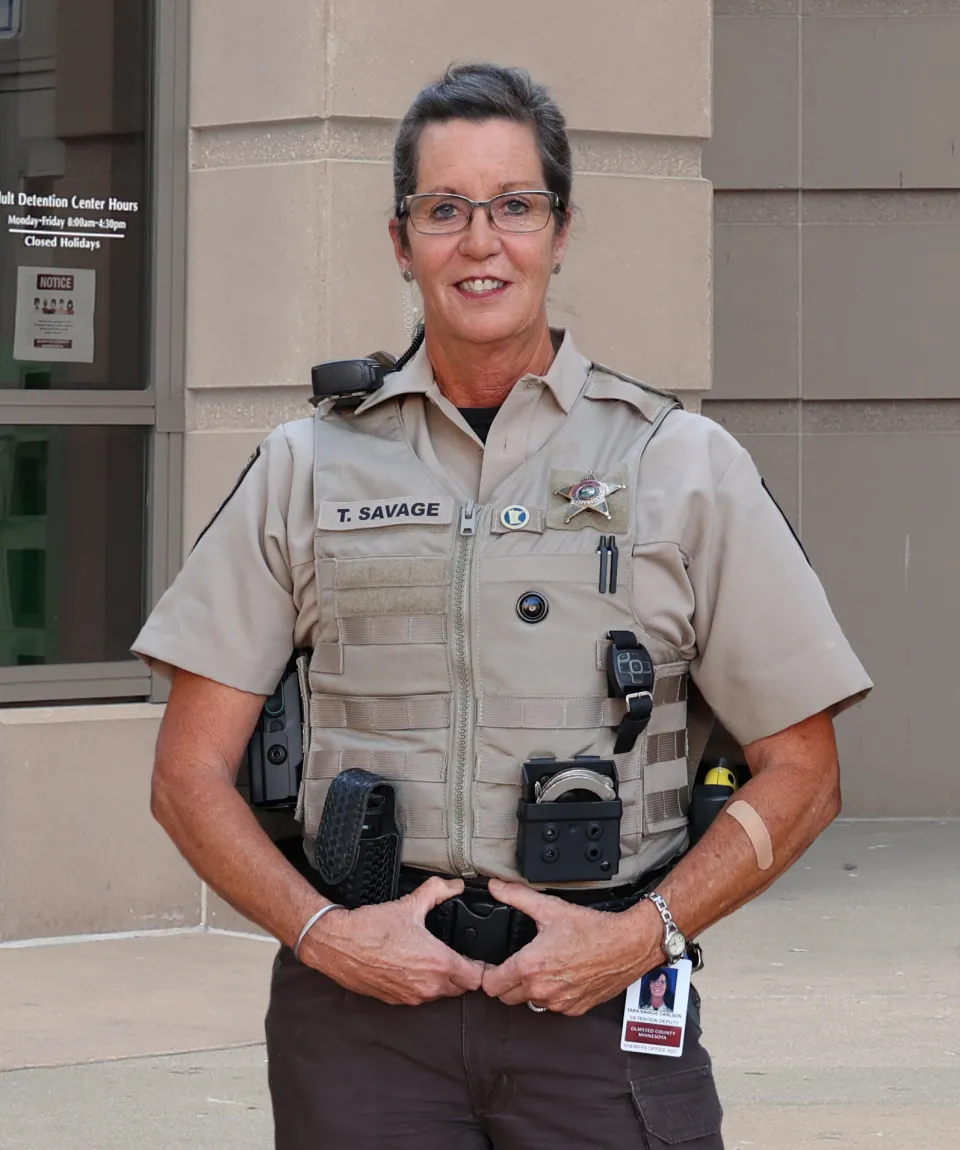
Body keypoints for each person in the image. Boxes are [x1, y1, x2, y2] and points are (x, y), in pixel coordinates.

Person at [134, 62, 872, 1150]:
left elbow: (806, 772)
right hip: (364, 1022)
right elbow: (186, 776)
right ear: (401, 241)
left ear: (561, 231)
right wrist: (326, 934)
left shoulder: (681, 465)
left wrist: (642, 938)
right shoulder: (306, 467)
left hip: (601, 999)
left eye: (515, 206)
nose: (482, 242)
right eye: (444, 210)